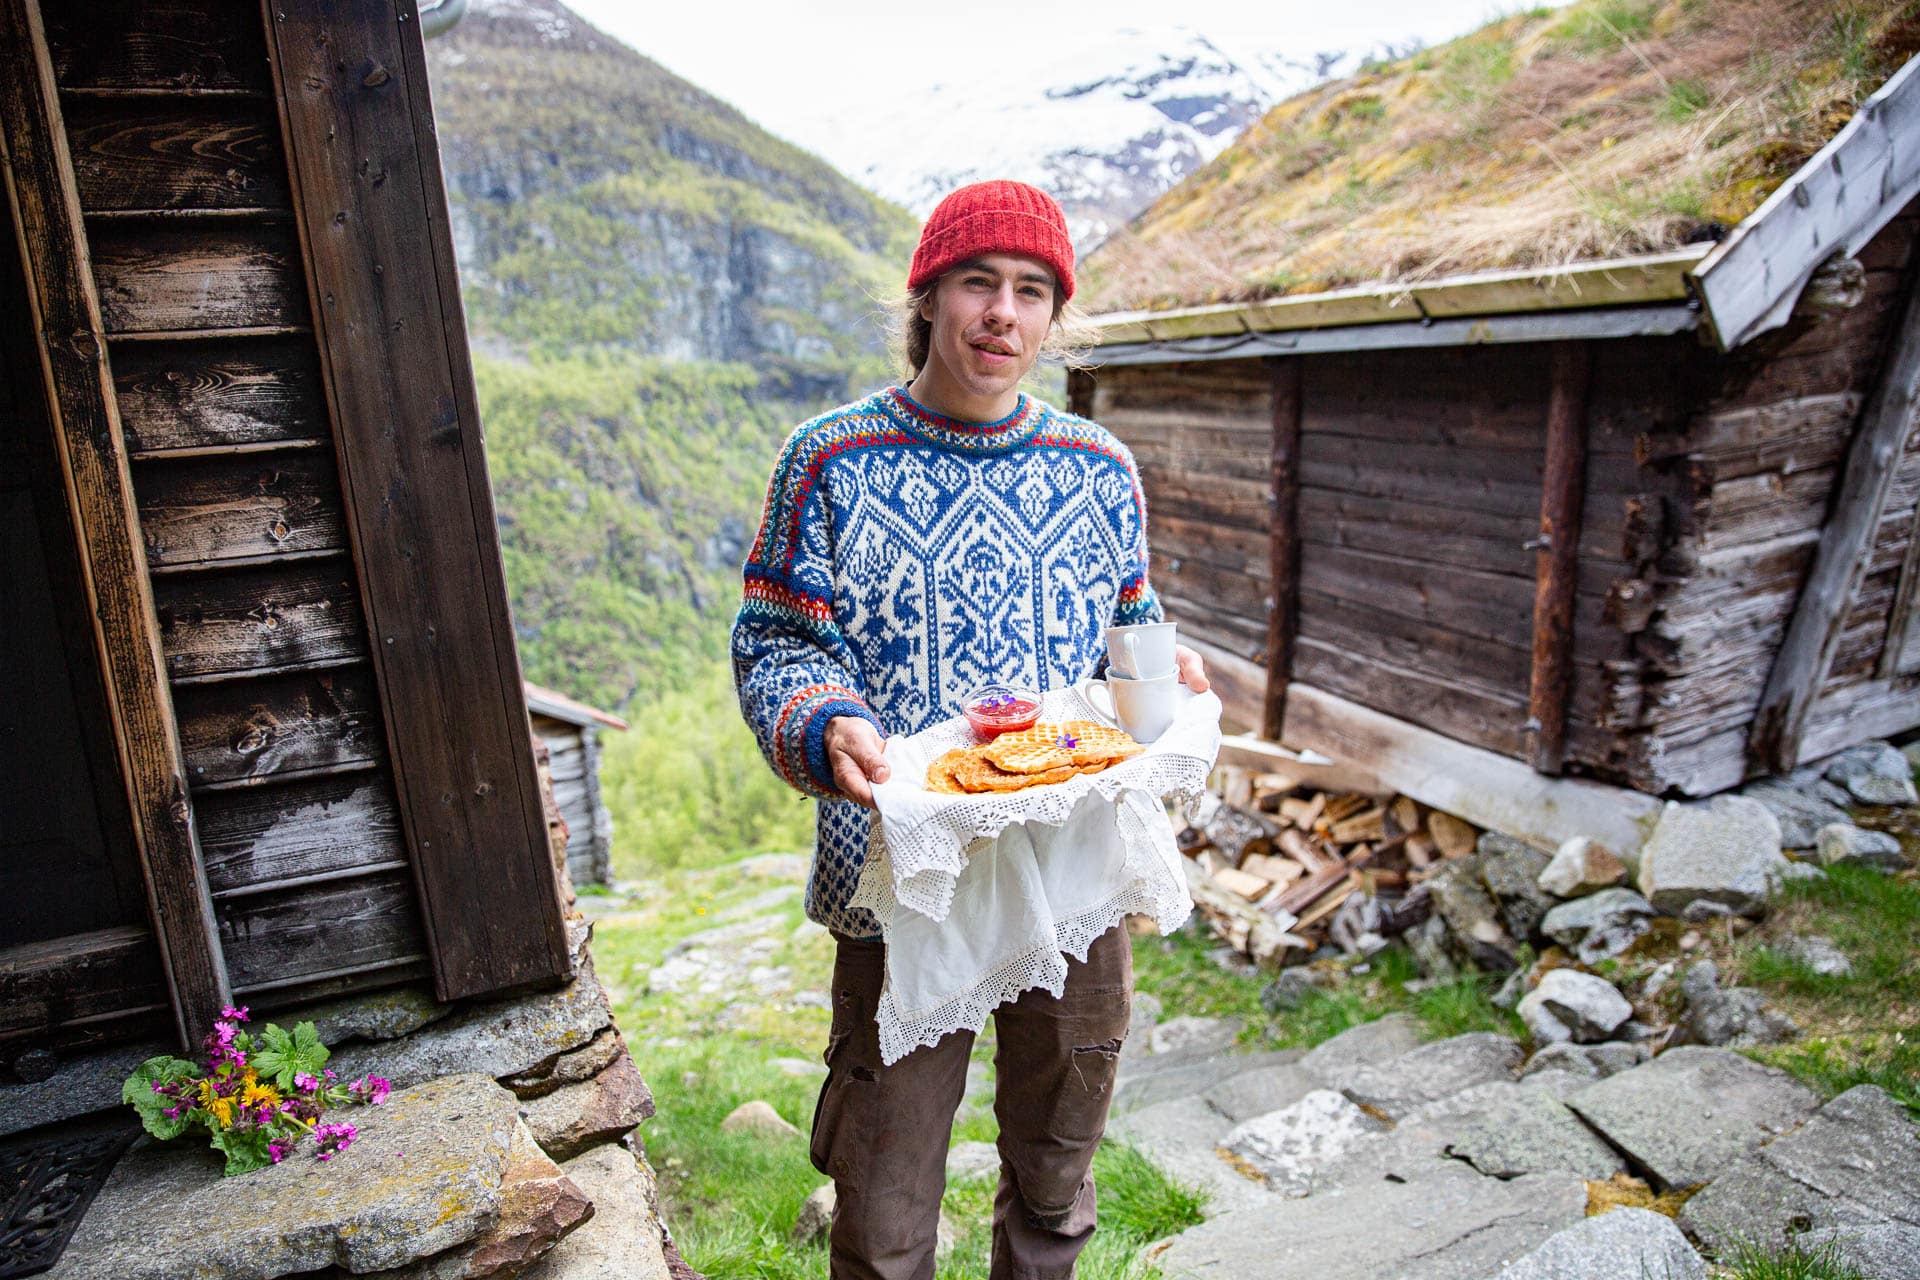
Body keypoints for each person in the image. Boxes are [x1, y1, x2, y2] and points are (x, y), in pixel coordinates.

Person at [732, 179, 1208, 1280]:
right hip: (905, 870)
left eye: (1032, 290)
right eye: (979, 283)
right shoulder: (829, 459)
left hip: (1070, 865)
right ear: (930, 297)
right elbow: (773, 642)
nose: (1004, 312)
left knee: (1056, 1169)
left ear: (1054, 316)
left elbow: (1125, 628)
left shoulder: (1098, 467)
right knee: (886, 1189)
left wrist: (1160, 667)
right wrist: (826, 719)